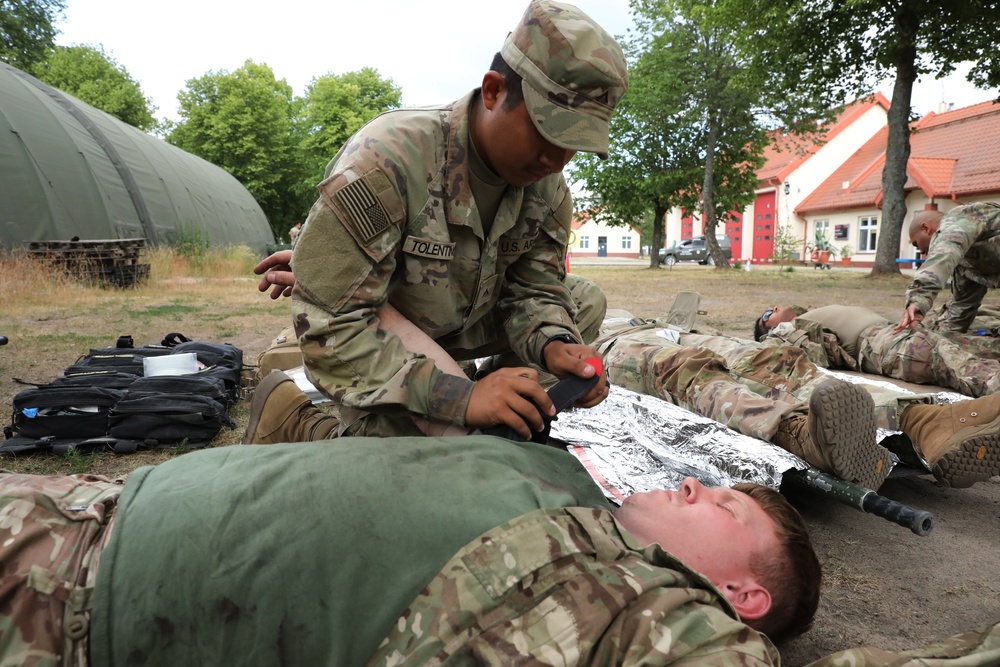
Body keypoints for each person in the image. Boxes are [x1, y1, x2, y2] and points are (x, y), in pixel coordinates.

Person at [0, 434, 820, 665]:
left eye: (724, 506)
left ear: (742, 596)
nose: (691, 486)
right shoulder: (563, 476)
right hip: (90, 500)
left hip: (61, 602)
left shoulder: (644, 610)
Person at [271, 0, 626, 442]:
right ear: (494, 90)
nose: (556, 160)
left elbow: (535, 290)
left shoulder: (548, 190)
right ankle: (295, 419)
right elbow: (329, 326)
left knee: (583, 301)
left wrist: (555, 345)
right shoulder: (386, 161)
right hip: (387, 330)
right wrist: (457, 398)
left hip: (465, 323)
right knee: (416, 465)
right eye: (548, 130)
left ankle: (502, 408)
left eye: (574, 144)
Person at [597, 313, 1000, 489]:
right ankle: (798, 433)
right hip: (607, 344)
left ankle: (927, 422)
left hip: (670, 329)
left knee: (775, 359)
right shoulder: (556, 307)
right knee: (685, 369)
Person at [754, 304, 1000, 397]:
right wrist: (782, 333)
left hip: (897, 332)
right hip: (884, 347)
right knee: (970, 369)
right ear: (769, 330)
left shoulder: (805, 317)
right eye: (768, 314)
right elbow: (815, 359)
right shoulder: (785, 332)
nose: (773, 307)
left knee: (984, 348)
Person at [896, 203, 1000, 334]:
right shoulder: (965, 262)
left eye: (916, 244)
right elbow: (963, 306)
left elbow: (944, 253)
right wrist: (943, 337)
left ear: (926, 228)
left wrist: (919, 298)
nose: (922, 252)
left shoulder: (958, 220)